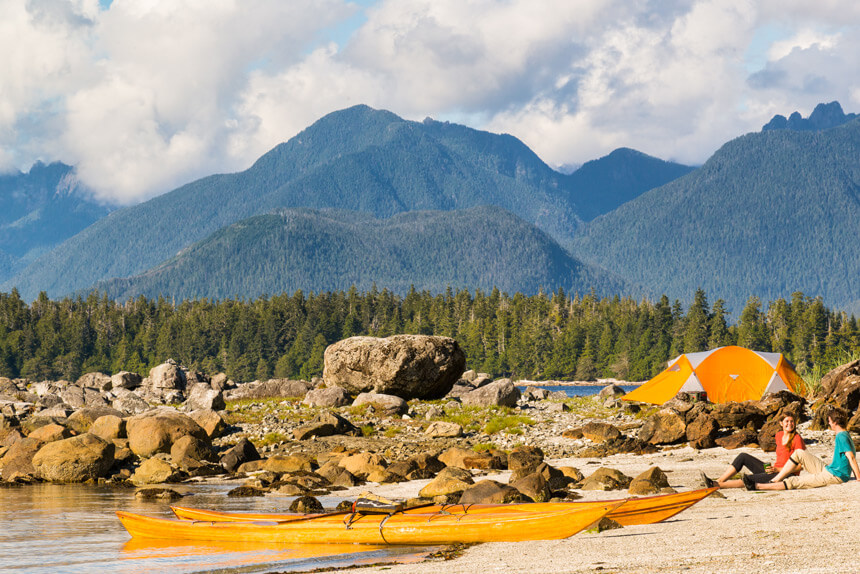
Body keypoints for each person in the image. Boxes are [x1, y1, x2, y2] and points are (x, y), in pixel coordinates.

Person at [751, 408, 859, 490]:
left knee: (796, 481)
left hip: (835, 476)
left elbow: (851, 457)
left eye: (830, 421)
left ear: (835, 422)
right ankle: (776, 479)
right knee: (799, 453)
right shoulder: (844, 434)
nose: (829, 423)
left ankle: (759, 486)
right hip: (829, 469)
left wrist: (858, 477)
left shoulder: (841, 436)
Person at [700, 412, 805, 489]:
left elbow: (800, 466)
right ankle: (719, 480)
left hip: (787, 475)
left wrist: (778, 470)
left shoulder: (797, 438)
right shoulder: (779, 435)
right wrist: (773, 468)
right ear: (781, 423)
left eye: (792, 421)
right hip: (773, 470)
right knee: (743, 456)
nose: (790, 424)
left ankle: (716, 485)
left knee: (750, 478)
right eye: (787, 421)